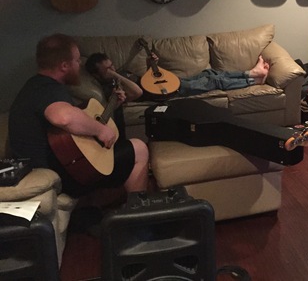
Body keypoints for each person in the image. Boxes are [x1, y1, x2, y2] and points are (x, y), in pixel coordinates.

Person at [8, 34, 149, 198]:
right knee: (139, 148)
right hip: (62, 174)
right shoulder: (46, 89)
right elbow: (64, 117)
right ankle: (138, 208)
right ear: (64, 66)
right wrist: (100, 130)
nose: (80, 64)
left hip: (65, 165)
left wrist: (112, 108)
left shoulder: (37, 86)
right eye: (76, 60)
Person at [146, 53, 270, 96]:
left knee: (209, 72)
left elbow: (147, 80)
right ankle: (254, 81)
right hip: (168, 92)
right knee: (213, 80)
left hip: (173, 82)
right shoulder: (133, 86)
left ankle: (252, 73)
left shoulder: (135, 77)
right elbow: (139, 92)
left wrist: (152, 64)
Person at [85, 52, 143, 137]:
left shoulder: (122, 73)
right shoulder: (109, 88)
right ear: (96, 75)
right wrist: (115, 75)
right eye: (108, 69)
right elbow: (138, 92)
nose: (113, 69)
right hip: (152, 95)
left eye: (112, 65)